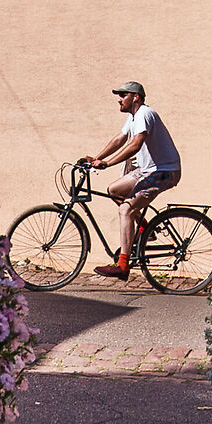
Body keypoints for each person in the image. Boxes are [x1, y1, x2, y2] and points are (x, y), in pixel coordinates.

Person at [78, 80, 181, 278]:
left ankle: (123, 265)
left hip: (164, 171)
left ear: (136, 97)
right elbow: (120, 139)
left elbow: (135, 145)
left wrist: (107, 164)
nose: (119, 99)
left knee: (125, 208)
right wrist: (97, 158)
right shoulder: (134, 117)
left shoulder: (144, 113)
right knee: (114, 190)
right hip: (148, 171)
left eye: (123, 95)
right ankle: (145, 229)